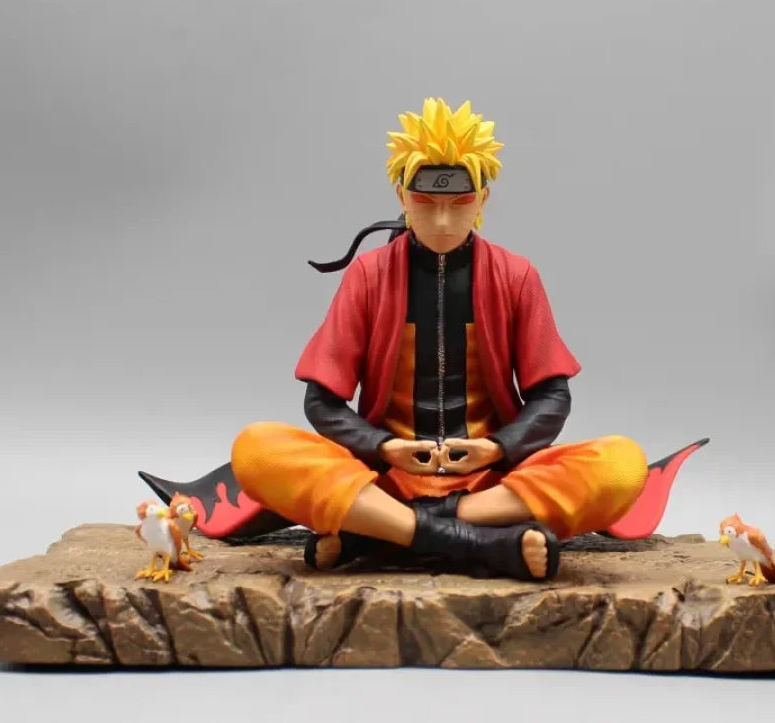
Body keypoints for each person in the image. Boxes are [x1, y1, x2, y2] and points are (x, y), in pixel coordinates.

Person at [229, 98, 650, 581]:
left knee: (621, 464)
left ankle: (383, 532)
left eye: (460, 203)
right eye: (427, 203)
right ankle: (481, 542)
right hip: (385, 478)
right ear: (402, 196)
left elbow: (552, 396)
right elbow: (321, 401)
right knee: (257, 448)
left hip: (493, 483)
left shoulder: (516, 276)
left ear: (484, 199)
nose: (444, 222)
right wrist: (384, 447)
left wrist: (497, 447)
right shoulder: (368, 275)